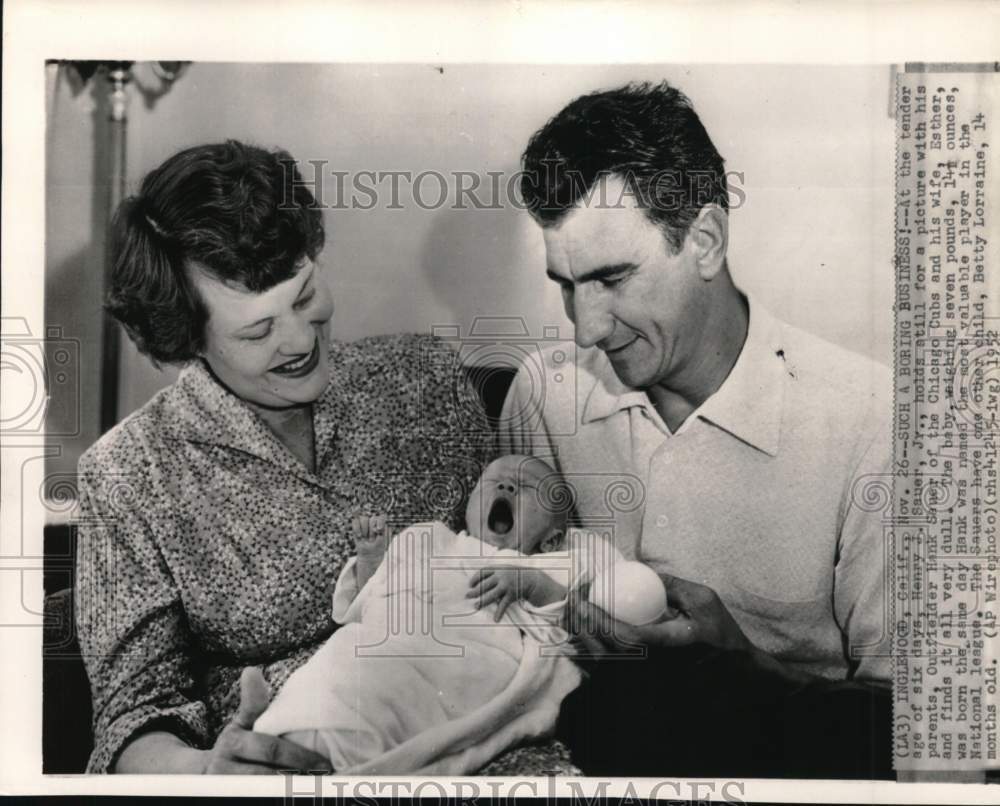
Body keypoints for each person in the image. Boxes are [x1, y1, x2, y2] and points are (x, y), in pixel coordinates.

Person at [501, 81, 894, 777]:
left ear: (705, 241)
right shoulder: (543, 393)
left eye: (613, 279)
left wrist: (744, 668)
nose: (585, 327)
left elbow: (920, 738)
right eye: (566, 284)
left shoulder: (874, 426)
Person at [74, 140, 495, 774]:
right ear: (188, 338)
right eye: (257, 329)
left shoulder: (427, 381)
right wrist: (204, 774)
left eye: (303, 298)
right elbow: (134, 716)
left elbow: (516, 566)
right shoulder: (129, 473)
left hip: (493, 748)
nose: (299, 340)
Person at [252, 455, 608, 774]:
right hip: (391, 638)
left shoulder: (550, 566)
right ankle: (302, 733)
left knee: (392, 688)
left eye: (526, 487)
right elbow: (371, 598)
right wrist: (374, 559)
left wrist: (532, 584)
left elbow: (567, 633)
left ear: (550, 540)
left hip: (469, 658)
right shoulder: (433, 540)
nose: (505, 484)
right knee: (349, 654)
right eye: (492, 479)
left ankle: (337, 747)